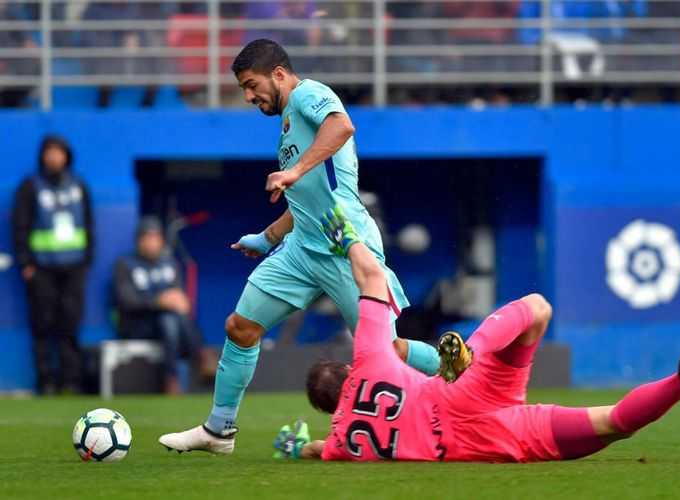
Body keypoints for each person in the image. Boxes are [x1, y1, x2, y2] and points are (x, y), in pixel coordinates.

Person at [272, 206, 680, 462]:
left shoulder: (342, 442)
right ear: (348, 370)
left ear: (330, 409)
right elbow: (371, 280)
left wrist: (299, 447)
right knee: (536, 309)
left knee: (615, 424)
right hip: (459, 394)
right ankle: (473, 352)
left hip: (478, 440)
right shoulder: (371, 359)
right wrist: (347, 240)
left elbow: (317, 449)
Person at [158, 39, 440, 454]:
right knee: (241, 327)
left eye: (251, 85)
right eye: (243, 90)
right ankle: (219, 430)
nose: (249, 96)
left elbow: (342, 126)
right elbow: (305, 196)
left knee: (388, 352)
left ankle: (462, 375)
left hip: (345, 244)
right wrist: (267, 236)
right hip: (302, 249)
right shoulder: (288, 122)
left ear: (278, 74)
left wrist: (295, 170)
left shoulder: (310, 93)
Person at [11, 135, 94, 394]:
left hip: (73, 267)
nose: (54, 157)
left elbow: (89, 224)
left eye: (59, 152)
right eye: (49, 152)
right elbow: (20, 225)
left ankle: (70, 381)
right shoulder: (31, 186)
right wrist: (26, 263)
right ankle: (45, 380)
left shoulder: (78, 185)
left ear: (66, 155)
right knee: (42, 324)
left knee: (70, 324)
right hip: (41, 268)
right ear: (42, 155)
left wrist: (86, 259)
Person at [113, 216, 206, 394]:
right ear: (139, 240)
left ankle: (173, 378)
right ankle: (200, 357)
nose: (151, 243)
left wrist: (178, 301)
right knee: (168, 319)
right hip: (137, 323)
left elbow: (179, 299)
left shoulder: (170, 263)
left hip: (170, 324)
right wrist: (158, 301)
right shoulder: (125, 264)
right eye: (147, 238)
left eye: (155, 238)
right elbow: (125, 300)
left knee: (171, 318)